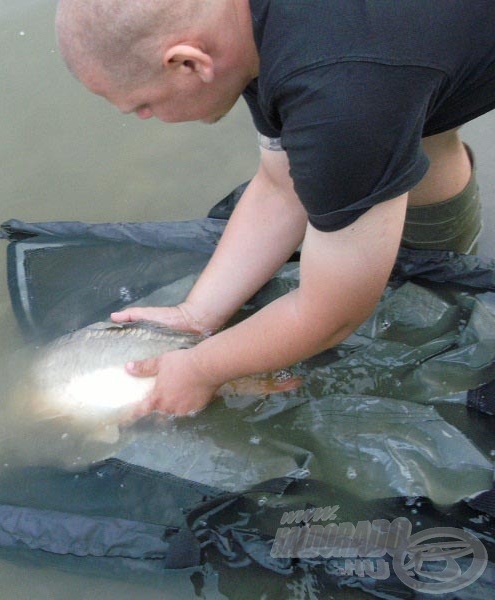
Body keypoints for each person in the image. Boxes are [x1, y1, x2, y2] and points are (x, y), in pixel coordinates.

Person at [54, 0, 495, 416]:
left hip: (373, 69)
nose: (143, 117)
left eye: (143, 105)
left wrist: (201, 369)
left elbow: (333, 315)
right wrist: (197, 314)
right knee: (411, 112)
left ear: (189, 63)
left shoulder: (341, 98)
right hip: (403, 45)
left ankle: (442, 292)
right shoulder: (241, 26)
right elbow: (281, 187)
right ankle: (444, 270)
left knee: (378, 116)